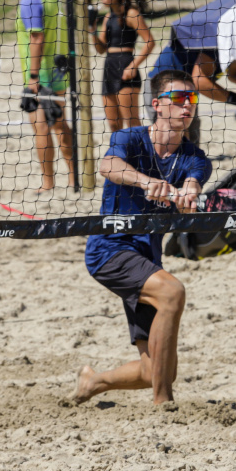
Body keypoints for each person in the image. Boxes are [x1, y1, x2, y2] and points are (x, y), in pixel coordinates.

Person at [70, 70, 211, 405]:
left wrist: (188, 197)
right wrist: (146, 182)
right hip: (110, 248)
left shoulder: (194, 157)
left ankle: (93, 381)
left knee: (155, 370)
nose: (186, 105)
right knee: (173, 292)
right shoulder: (130, 139)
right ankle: (164, 404)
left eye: (191, 98)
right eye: (178, 98)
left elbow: (193, 182)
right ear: (157, 105)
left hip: (147, 258)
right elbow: (107, 166)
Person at [8, 0, 76, 193]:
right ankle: (74, 179)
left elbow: (37, 37)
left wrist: (33, 77)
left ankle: (48, 184)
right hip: (58, 70)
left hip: (42, 74)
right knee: (58, 124)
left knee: (42, 128)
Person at [144, 32, 236, 143]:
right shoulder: (217, 40)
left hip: (186, 93)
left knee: (191, 144)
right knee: (174, 141)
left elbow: (234, 73)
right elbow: (199, 81)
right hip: (163, 89)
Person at [88, 0, 155, 132]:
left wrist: (133, 66)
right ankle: (120, 156)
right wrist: (92, 30)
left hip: (126, 65)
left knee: (131, 122)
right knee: (113, 124)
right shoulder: (107, 17)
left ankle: (141, 155)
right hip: (109, 67)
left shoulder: (131, 14)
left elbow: (150, 42)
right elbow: (101, 49)